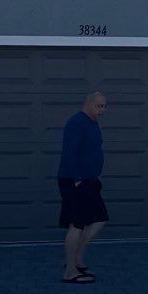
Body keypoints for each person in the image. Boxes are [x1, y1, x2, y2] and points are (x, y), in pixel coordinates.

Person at [57, 91, 108, 282]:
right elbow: (69, 153)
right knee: (77, 224)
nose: (102, 110)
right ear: (88, 104)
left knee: (100, 218)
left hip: (90, 181)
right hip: (74, 181)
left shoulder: (93, 123)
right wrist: (77, 179)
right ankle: (70, 271)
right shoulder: (76, 123)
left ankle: (77, 259)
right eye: (99, 106)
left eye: (104, 106)